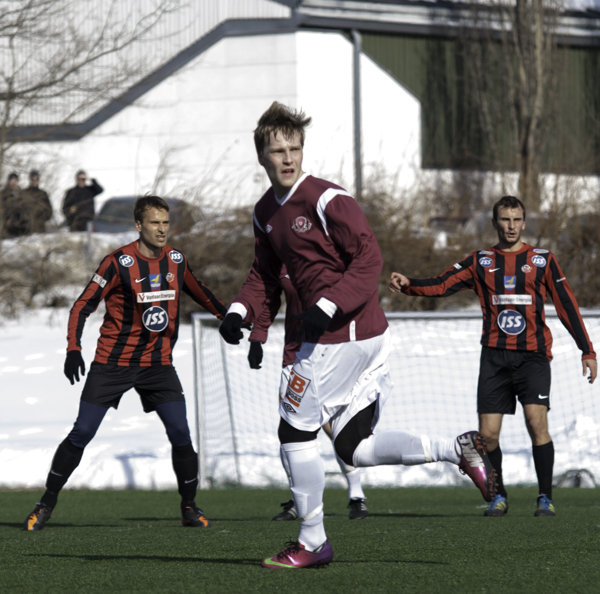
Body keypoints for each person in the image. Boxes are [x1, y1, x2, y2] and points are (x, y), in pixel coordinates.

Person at [219, 102, 497, 569]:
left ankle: (312, 542)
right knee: (354, 448)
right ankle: (456, 449)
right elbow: (264, 275)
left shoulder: (328, 199)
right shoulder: (265, 211)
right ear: (261, 157)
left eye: (295, 148)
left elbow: (369, 261)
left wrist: (325, 308)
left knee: (294, 431)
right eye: (277, 150)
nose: (288, 158)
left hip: (339, 339)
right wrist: (239, 312)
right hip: (360, 339)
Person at [24, 195, 227, 532]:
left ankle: (189, 507)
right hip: (112, 364)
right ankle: (45, 503)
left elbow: (201, 291)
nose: (162, 229)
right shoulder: (117, 263)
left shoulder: (176, 261)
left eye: (165, 222)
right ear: (138, 225)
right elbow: (81, 306)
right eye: (154, 223)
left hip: (158, 365)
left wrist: (228, 317)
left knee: (180, 433)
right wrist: (73, 348)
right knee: (82, 432)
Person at [389, 195, 597, 518]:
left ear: (524, 223)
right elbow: (443, 284)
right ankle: (498, 496)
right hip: (495, 358)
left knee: (536, 422)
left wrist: (587, 349)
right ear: (494, 223)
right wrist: (410, 285)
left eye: (516, 220)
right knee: (486, 435)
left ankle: (545, 497)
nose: (511, 226)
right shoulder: (481, 261)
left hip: (533, 357)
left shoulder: (542, 260)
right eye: (505, 219)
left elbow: (567, 305)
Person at [248, 265, 370, 521]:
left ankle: (356, 496)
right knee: (290, 427)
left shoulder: (334, 254)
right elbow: (268, 296)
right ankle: (298, 501)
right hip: (294, 356)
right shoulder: (280, 255)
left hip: (334, 354)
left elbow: (358, 293)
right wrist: (257, 337)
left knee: (336, 427)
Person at [21, 169, 53, 233]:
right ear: (30, 179)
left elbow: (49, 211)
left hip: (40, 228)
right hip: (25, 228)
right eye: (33, 179)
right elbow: (20, 209)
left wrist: (41, 218)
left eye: (37, 179)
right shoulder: (24, 193)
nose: (35, 181)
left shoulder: (43, 194)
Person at [1, 172, 26, 238]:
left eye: (16, 180)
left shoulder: (22, 194)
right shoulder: (4, 193)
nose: (14, 182)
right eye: (12, 180)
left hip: (20, 227)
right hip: (8, 226)